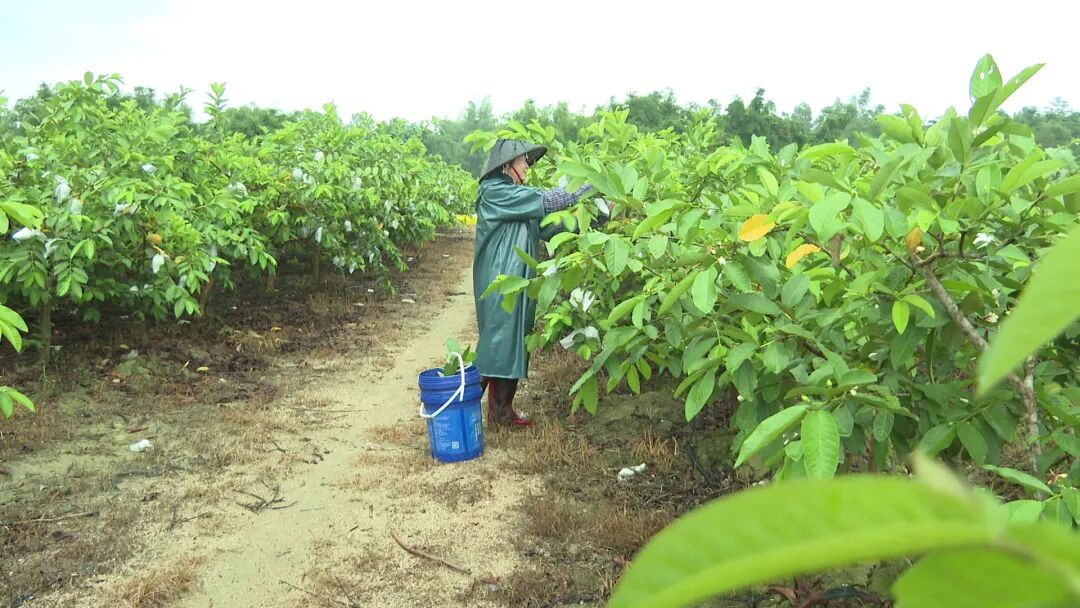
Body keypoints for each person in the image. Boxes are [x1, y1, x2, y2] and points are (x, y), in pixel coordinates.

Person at [472, 139, 600, 427]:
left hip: (520, 280)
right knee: (497, 341)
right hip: (500, 278)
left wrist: (597, 219)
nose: (528, 168)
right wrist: (589, 188)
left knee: (515, 340)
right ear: (507, 165)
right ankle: (458, 407)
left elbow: (553, 226)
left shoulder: (518, 197)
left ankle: (501, 412)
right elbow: (550, 200)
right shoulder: (495, 192)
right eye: (524, 163)